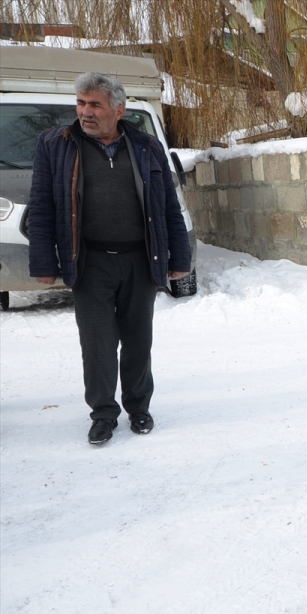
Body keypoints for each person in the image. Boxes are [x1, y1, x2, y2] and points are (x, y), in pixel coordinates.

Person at [28, 72, 191, 445]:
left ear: (118, 110)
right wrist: (44, 263)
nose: (85, 112)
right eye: (81, 103)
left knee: (138, 341)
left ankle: (138, 408)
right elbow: (42, 207)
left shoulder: (147, 146)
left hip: (139, 259)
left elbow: (169, 206)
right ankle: (103, 413)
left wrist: (179, 258)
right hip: (90, 262)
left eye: (95, 104)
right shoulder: (55, 144)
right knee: (98, 344)